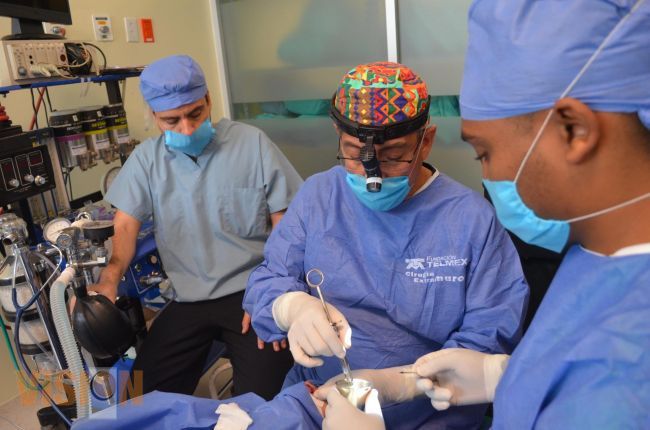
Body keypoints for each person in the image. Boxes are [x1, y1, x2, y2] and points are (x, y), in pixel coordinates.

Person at [244, 62, 529, 429]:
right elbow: (269, 279)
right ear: (338, 136)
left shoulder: (470, 220)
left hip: (431, 412)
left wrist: (404, 383)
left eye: (393, 157)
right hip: (319, 403)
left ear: (425, 141)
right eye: (352, 153)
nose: (371, 177)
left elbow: (488, 338)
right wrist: (291, 307)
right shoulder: (319, 196)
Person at [408, 1, 650, 428]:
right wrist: (504, 376)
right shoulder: (597, 257)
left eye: (485, 152)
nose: (488, 176)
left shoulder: (627, 372)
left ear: (574, 129)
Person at [97, 55, 303, 400]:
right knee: (136, 396)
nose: (187, 129)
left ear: (208, 100)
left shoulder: (251, 143)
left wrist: (277, 292)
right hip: (188, 297)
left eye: (195, 114)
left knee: (262, 403)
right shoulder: (147, 160)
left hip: (251, 290)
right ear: (153, 116)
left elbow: (287, 223)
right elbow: (126, 226)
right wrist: (109, 278)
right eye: (171, 121)